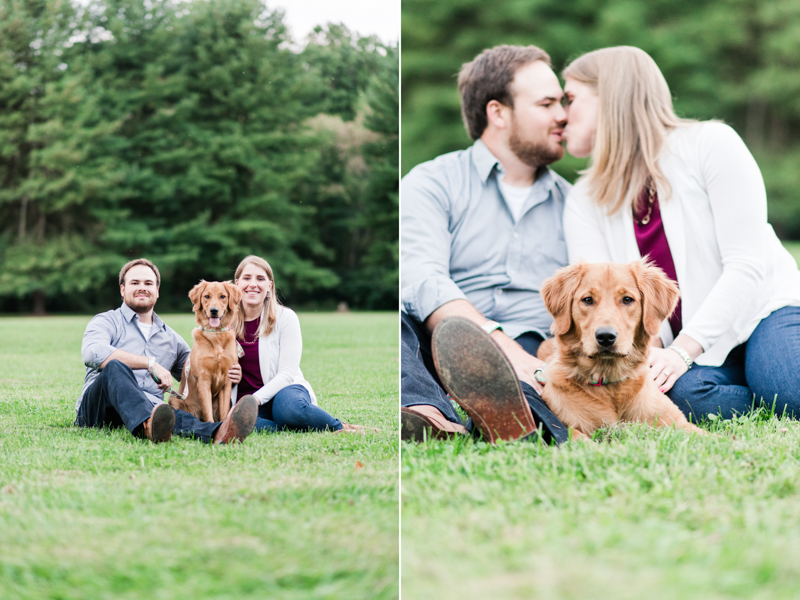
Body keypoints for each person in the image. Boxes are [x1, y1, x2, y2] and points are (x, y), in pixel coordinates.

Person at [560, 46, 800, 422]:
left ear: (609, 98)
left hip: (763, 314)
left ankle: (772, 380)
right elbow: (603, 298)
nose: (561, 114)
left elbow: (746, 265)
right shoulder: (583, 198)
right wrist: (656, 359)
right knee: (684, 397)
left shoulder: (712, 145)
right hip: (687, 347)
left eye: (570, 98)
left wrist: (681, 353)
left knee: (789, 388)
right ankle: (758, 389)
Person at [400, 44, 572, 444]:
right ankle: (428, 413)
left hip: (532, 348)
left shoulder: (575, 204)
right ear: (497, 113)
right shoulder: (431, 182)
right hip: (439, 338)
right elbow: (421, 276)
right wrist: (493, 343)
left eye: (562, 102)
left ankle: (517, 419)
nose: (563, 115)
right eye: (547, 104)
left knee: (540, 369)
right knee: (397, 319)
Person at [77, 258, 258, 444]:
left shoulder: (171, 338)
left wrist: (228, 371)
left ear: (157, 291)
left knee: (167, 411)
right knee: (115, 367)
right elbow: (93, 352)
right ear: (123, 290)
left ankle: (215, 432)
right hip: (99, 409)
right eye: (134, 283)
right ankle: (149, 424)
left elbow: (196, 374)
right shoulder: (106, 321)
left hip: (152, 410)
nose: (142, 287)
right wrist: (149, 363)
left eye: (148, 283)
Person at [227, 255, 366, 434]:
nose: (253, 284)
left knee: (288, 411)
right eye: (247, 278)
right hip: (243, 401)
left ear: (269, 285)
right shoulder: (223, 322)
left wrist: (253, 400)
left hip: (284, 392)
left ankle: (338, 427)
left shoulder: (285, 318)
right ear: (236, 284)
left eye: (260, 279)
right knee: (244, 425)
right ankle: (299, 429)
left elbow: (286, 374)